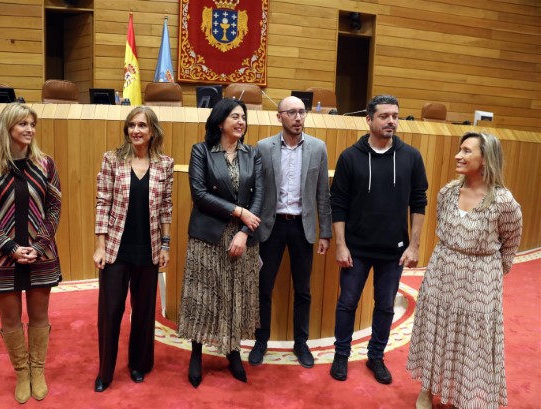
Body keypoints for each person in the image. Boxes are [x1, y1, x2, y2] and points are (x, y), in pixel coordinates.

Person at [407, 132, 522, 409]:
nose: (459, 156)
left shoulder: (504, 202)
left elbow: (511, 243)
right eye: (460, 150)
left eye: (467, 151)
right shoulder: (447, 192)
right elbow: (441, 230)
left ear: (485, 160)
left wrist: (491, 274)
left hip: (480, 278)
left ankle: (460, 395)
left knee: (469, 339)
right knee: (436, 329)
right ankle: (427, 388)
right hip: (442, 270)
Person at [329, 94, 428, 384]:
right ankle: (341, 355)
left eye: (395, 116)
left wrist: (414, 244)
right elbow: (339, 204)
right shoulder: (350, 157)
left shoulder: (411, 157)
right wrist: (341, 244)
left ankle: (376, 357)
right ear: (369, 119)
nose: (391, 121)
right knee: (347, 303)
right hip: (356, 249)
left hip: (393, 251)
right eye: (384, 116)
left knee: (385, 305)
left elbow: (418, 201)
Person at [0, 102, 62, 404]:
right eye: (23, 124)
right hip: (3, 257)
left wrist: (38, 246)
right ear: (8, 127)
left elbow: (54, 208)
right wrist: (11, 247)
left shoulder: (46, 164)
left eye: (32, 124)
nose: (29, 129)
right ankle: (21, 372)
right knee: (10, 320)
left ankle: (38, 371)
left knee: (39, 316)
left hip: (41, 255)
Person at [178, 98, 263, 388]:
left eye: (243, 117)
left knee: (236, 293)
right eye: (234, 117)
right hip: (208, 235)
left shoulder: (253, 154)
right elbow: (199, 194)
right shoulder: (201, 151)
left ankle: (234, 350)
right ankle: (197, 353)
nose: (240, 122)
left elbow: (260, 196)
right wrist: (238, 211)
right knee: (203, 294)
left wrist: (243, 231)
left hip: (242, 236)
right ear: (219, 121)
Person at [92, 106, 173, 392]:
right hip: (116, 250)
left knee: (143, 312)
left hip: (148, 249)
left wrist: (166, 245)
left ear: (152, 131)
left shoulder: (165, 164)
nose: (136, 131)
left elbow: (166, 208)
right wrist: (99, 246)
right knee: (110, 311)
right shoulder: (112, 159)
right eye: (131, 125)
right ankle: (105, 372)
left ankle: (139, 364)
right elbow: (102, 203)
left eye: (142, 126)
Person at [247, 96, 332, 368]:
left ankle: (301, 342)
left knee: (303, 289)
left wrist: (325, 232)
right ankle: (261, 341)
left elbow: (322, 194)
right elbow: (256, 192)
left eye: (302, 112)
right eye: (292, 112)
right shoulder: (263, 147)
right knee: (264, 287)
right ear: (279, 117)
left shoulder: (318, 148)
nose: (298, 117)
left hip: (301, 227)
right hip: (270, 227)